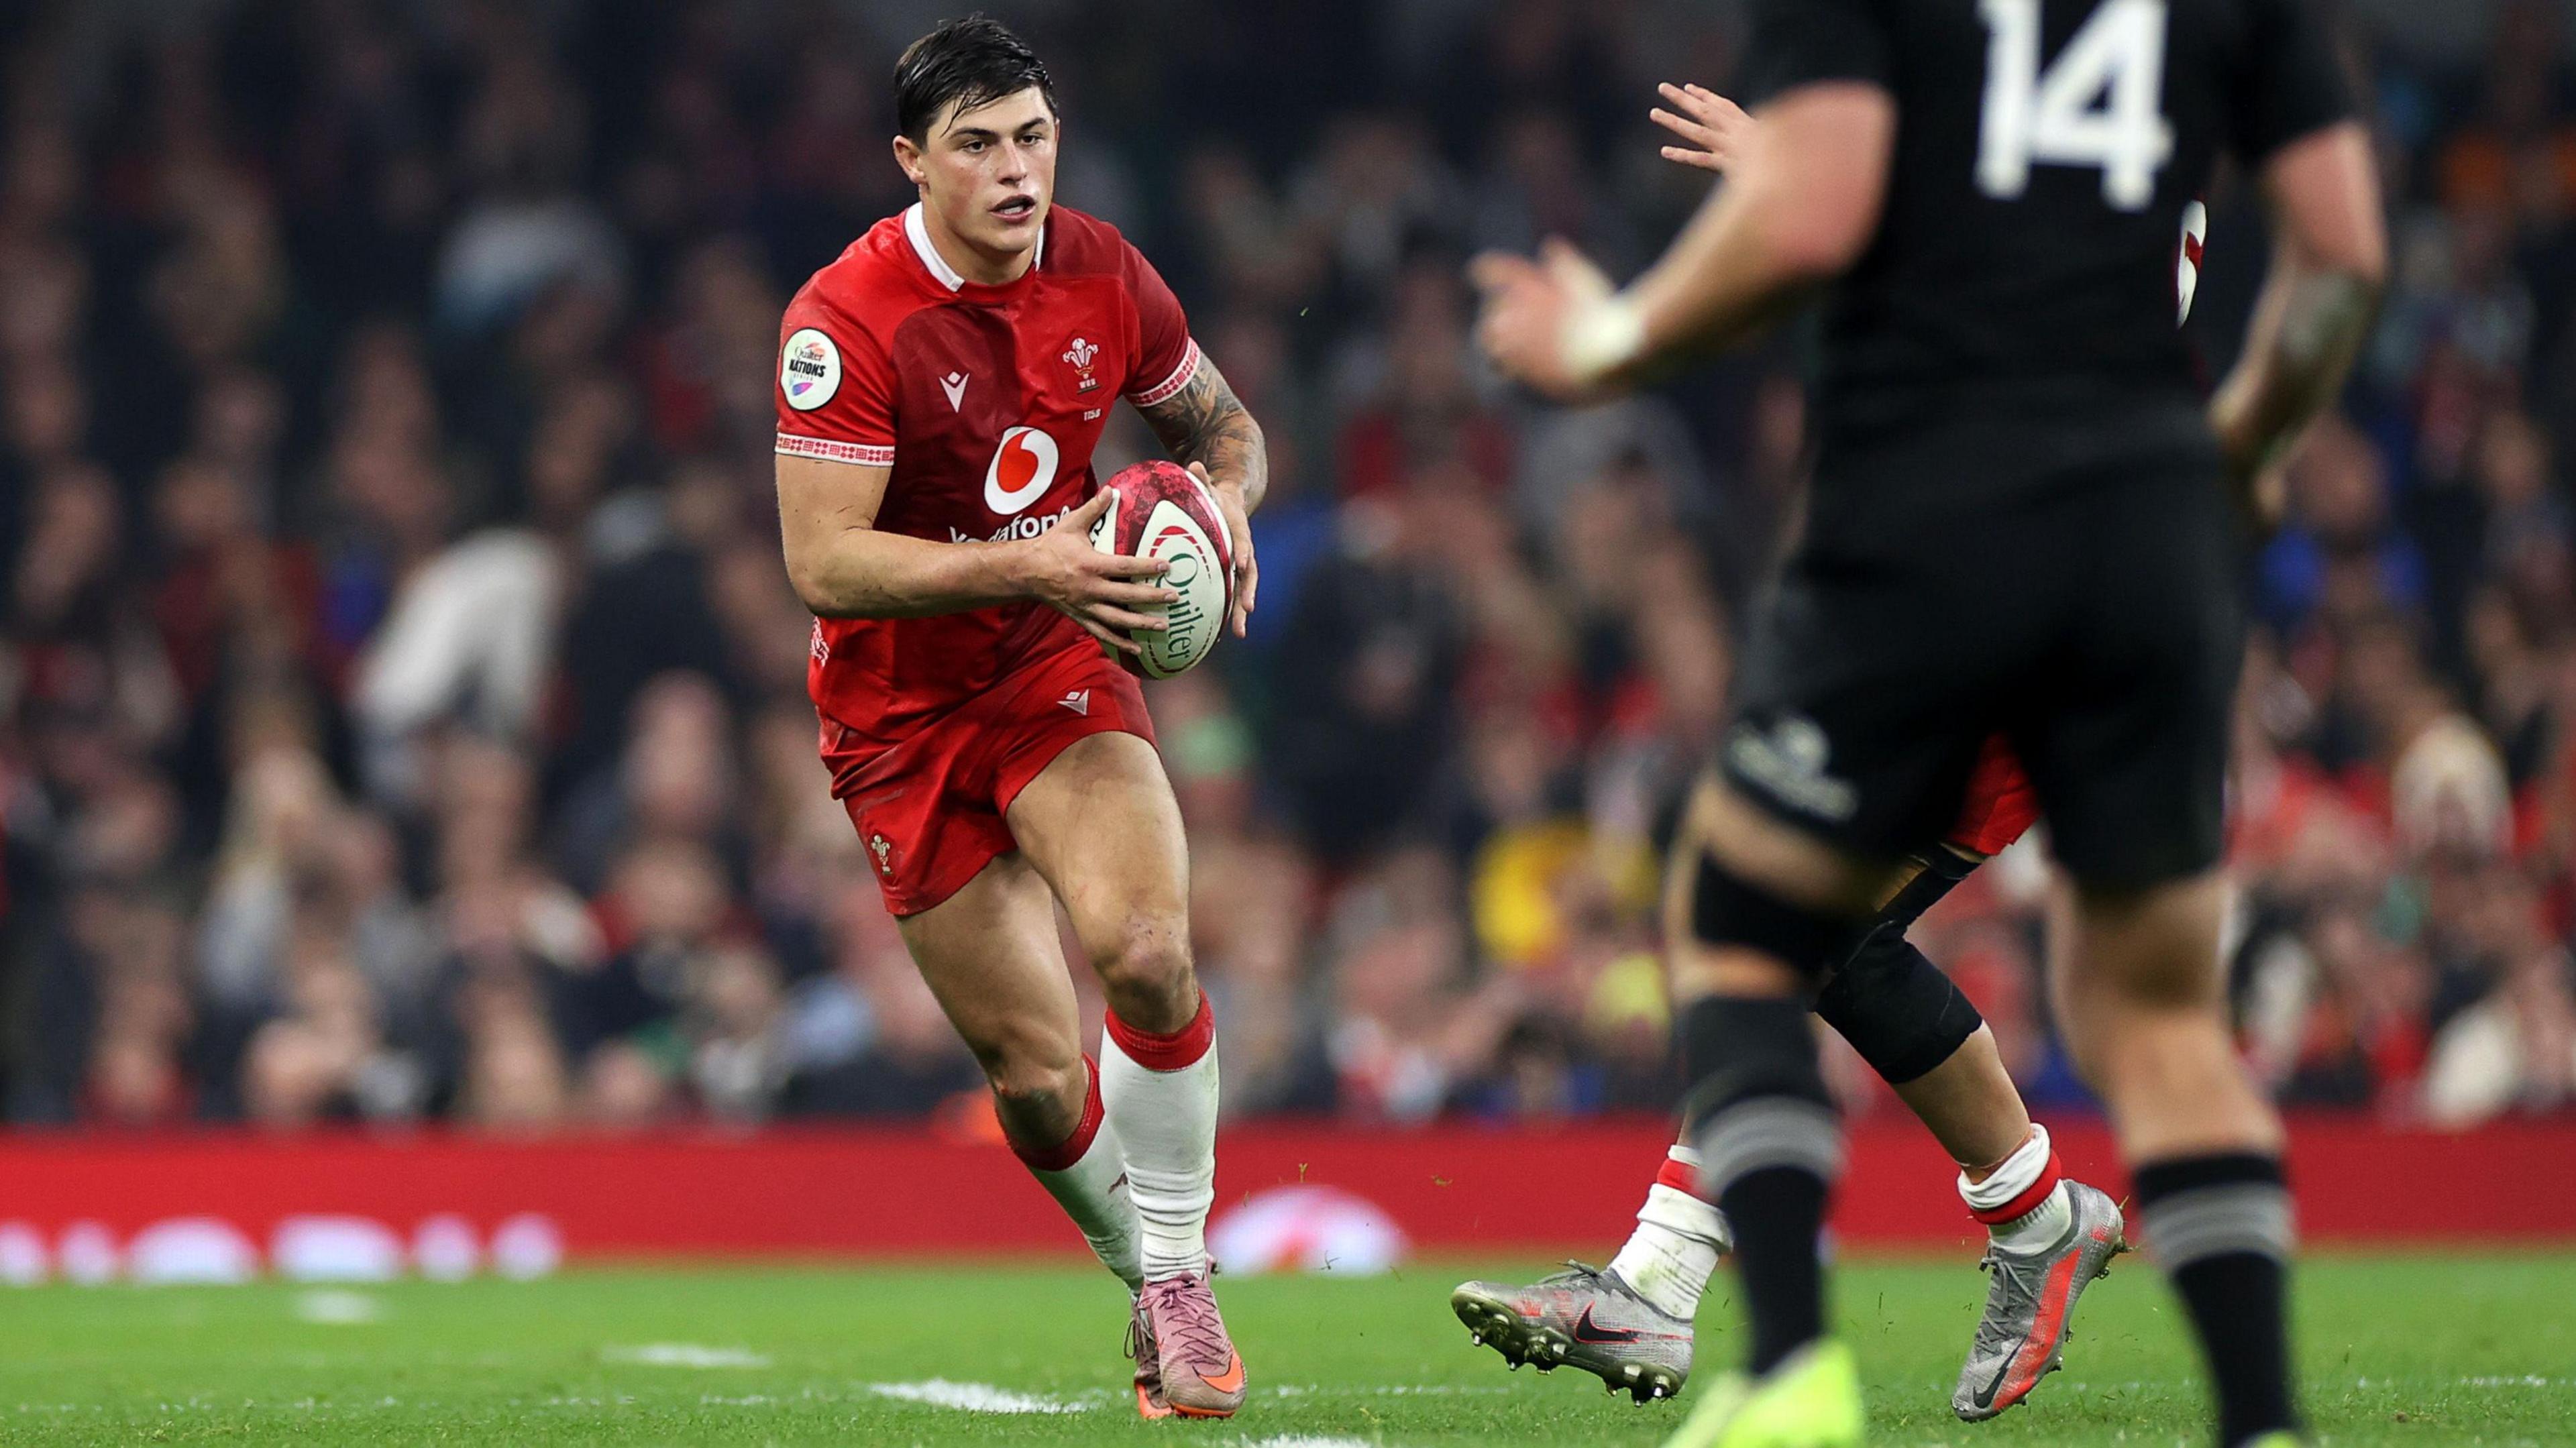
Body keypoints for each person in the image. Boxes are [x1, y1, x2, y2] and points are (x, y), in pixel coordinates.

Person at [1472, 0, 2386, 1443]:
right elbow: (2340, 253)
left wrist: (1613, 340)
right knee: (2143, 1016)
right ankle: (2213, 1376)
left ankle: (1720, 1313)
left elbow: (1844, 229)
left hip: (1947, 537)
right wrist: (2245, 439)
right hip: (2147, 542)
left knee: (1756, 913)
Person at [770, 17, 1267, 1421]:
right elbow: (823, 560)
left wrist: (1226, 506)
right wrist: (1031, 557)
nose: (1015, 169)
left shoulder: (1106, 271)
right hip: (898, 717)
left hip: (1056, 661)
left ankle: (1183, 1278)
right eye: (978, 144)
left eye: (1033, 137)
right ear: (911, 161)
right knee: (1038, 1077)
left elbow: (1225, 429)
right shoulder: (843, 320)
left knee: (1149, 949)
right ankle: (1144, 1273)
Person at [1452, 738, 2122, 1421]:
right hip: (1901, 699)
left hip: (1972, 705)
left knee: (1780, 926)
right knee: (1796, 930)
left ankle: (1660, 1283)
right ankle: (2038, 1217)